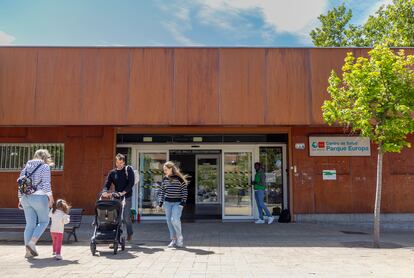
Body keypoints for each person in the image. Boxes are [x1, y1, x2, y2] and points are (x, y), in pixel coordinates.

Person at [17, 149, 55, 258]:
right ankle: (32, 243)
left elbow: (20, 184)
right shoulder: (45, 167)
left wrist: (20, 199)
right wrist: (51, 198)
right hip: (39, 197)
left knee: (30, 225)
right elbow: (46, 184)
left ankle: (28, 252)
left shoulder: (25, 168)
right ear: (45, 157)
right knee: (44, 221)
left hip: (25, 198)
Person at [102, 153, 135, 241]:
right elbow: (107, 184)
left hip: (127, 195)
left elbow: (131, 183)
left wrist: (123, 192)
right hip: (117, 197)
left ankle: (130, 233)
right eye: (117, 162)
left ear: (124, 162)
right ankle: (116, 236)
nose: (119, 164)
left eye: (121, 163)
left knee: (126, 217)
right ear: (115, 162)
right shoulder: (113, 172)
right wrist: (105, 191)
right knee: (115, 217)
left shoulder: (128, 170)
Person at [158, 161, 188, 248]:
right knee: (169, 221)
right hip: (167, 203)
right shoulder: (165, 179)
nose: (165, 171)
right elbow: (162, 191)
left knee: (174, 220)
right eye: (164, 170)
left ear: (171, 168)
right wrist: (160, 203)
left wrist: (183, 202)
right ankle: (173, 239)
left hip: (177, 203)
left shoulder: (179, 179)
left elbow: (184, 191)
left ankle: (179, 237)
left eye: (166, 169)